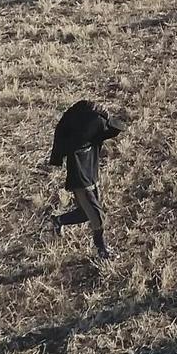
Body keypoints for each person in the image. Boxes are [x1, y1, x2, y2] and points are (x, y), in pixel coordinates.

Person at [48, 100, 128, 260]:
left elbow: (117, 127)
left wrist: (104, 113)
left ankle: (58, 220)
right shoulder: (74, 145)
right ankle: (102, 250)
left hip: (92, 178)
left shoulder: (93, 133)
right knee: (97, 217)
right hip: (81, 183)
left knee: (86, 213)